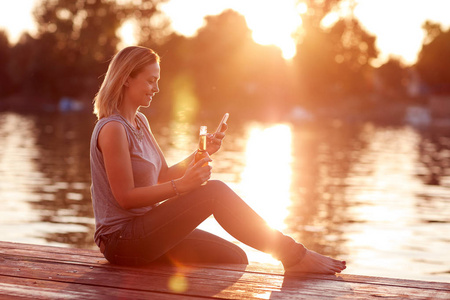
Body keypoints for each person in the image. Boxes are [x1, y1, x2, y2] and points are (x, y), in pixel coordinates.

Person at [90, 46, 346, 274]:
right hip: (121, 240)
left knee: (234, 257)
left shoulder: (140, 122)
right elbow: (125, 197)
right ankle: (294, 255)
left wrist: (202, 153)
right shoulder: (113, 128)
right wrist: (184, 187)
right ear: (126, 79)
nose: (156, 88)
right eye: (151, 81)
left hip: (145, 231)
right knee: (214, 192)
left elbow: (161, 177)